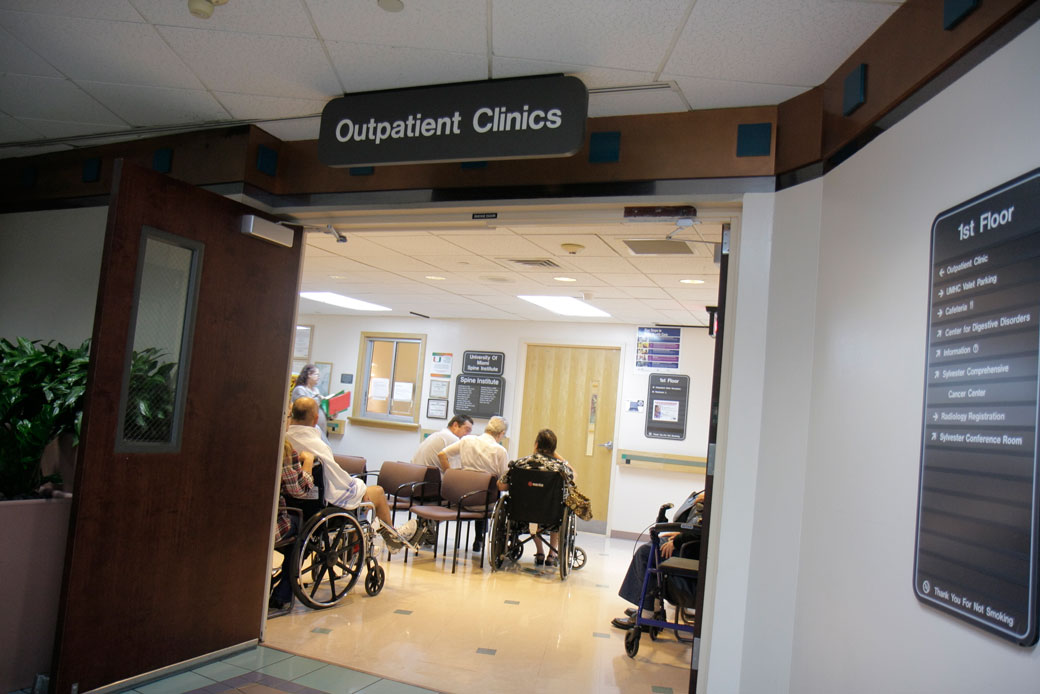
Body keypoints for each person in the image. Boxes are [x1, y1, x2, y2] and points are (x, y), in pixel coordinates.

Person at [286, 397, 418, 551]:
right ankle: (392, 540)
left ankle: (358, 544)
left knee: (361, 496)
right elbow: (339, 481)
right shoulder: (317, 446)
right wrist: (359, 486)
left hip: (293, 504)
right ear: (316, 419)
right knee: (375, 492)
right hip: (322, 505)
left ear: (292, 414)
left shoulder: (285, 441)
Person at [610, 490, 704, 630]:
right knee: (650, 548)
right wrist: (679, 533)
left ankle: (647, 614)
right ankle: (652, 608)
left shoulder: (714, 501)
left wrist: (677, 541)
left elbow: (702, 531)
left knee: (646, 554)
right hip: (688, 542)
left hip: (688, 550)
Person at [499, 428, 576, 567]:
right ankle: (552, 555)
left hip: (522, 513)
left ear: (535, 445)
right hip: (551, 515)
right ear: (554, 448)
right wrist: (557, 456)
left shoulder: (519, 464)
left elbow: (501, 486)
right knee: (558, 506)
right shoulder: (560, 467)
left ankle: (539, 551)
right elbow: (573, 477)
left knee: (532, 509)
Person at [436, 415, 509, 551]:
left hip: (461, 498)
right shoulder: (500, 451)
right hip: (484, 502)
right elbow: (503, 481)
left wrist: (450, 474)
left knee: (481, 493)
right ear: (501, 434)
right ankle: (479, 538)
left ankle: (479, 538)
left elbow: (442, 455)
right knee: (490, 493)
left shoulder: (467, 440)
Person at [410, 414, 473, 545]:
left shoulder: (437, 435)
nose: (467, 434)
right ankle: (430, 522)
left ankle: (427, 522)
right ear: (455, 425)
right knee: (467, 500)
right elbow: (453, 472)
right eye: (467, 429)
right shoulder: (453, 440)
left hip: (415, 484)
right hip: (430, 487)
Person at [270, 440, 315, 614]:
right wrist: (309, 462)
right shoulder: (286, 448)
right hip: (272, 526)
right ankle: (283, 593)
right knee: (303, 531)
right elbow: (299, 490)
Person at [291, 364, 328, 442]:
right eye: (316, 374)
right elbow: (306, 407)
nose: (319, 377)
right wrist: (319, 399)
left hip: (320, 430)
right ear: (309, 375)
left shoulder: (316, 390)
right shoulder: (300, 390)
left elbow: (319, 408)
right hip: (306, 430)